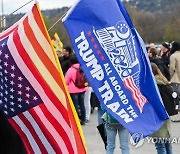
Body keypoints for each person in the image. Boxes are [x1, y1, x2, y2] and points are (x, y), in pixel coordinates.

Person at [151, 63, 173, 154]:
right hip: (166, 114)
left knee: (160, 146)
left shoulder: (153, 84)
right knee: (167, 144)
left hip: (157, 116)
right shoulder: (164, 81)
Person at [65, 54, 87, 125]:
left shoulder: (70, 70)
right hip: (82, 89)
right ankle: (83, 119)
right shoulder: (83, 67)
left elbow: (66, 81)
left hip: (73, 90)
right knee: (82, 104)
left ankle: (77, 120)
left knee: (75, 106)